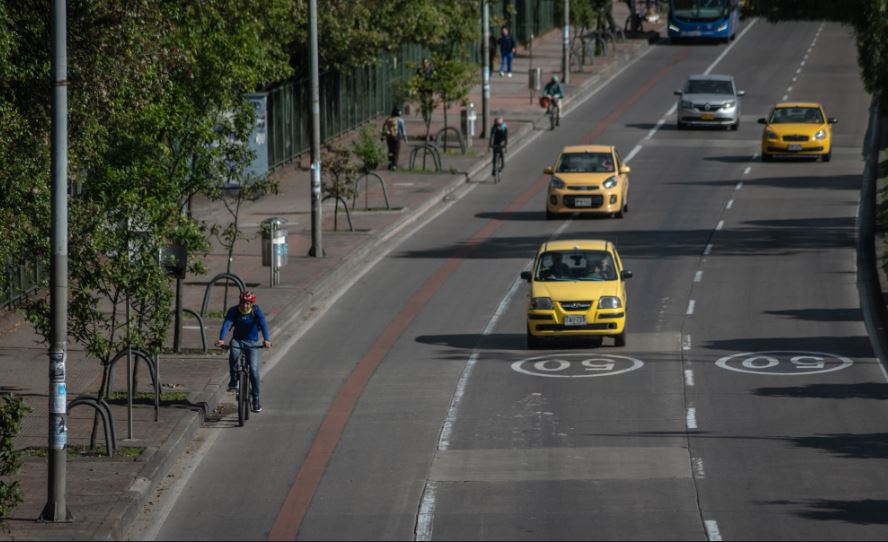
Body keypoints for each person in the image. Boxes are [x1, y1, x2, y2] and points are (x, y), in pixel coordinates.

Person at [216, 291, 271, 412]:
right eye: (243, 302)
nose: (245, 305)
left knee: (254, 369)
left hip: (253, 343)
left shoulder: (256, 311)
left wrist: (267, 339)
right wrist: (221, 339)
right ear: (239, 301)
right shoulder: (234, 311)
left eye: (247, 303)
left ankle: (256, 398)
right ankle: (234, 380)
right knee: (234, 355)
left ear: (251, 303)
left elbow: (263, 324)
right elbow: (227, 325)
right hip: (238, 340)